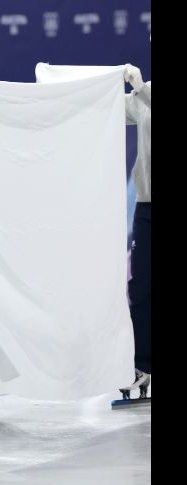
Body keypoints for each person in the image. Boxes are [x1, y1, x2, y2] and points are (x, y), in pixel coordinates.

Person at [120, 62, 151, 395]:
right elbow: (102, 112)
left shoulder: (145, 92)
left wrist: (142, 90)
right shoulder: (142, 95)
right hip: (147, 205)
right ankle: (143, 363)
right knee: (141, 289)